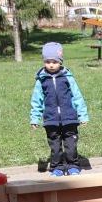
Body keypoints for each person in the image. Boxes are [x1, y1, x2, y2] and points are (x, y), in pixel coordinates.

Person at [30, 42, 89, 176]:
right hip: (51, 119)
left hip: (69, 118)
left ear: (60, 61)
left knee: (71, 146)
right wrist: (35, 118)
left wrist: (83, 115)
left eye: (54, 62)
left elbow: (77, 96)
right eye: (48, 62)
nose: (51, 65)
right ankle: (57, 167)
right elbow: (36, 100)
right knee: (55, 147)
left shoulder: (67, 77)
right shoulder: (41, 80)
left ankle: (73, 165)